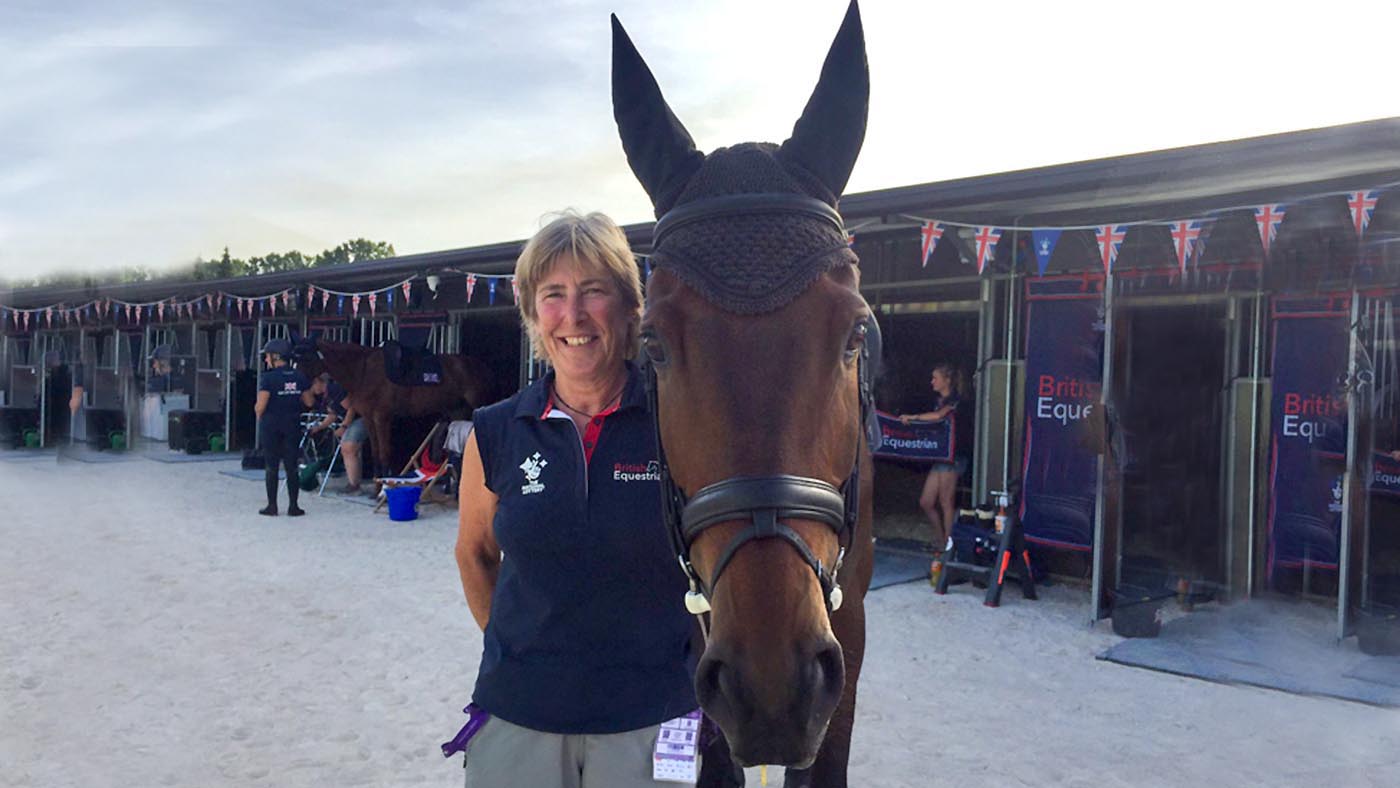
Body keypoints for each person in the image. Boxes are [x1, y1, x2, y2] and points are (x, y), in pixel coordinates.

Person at [450, 211, 700, 786]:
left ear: (631, 306)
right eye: (554, 294)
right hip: (519, 714)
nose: (574, 315)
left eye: (594, 291)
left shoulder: (681, 422)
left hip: (656, 715)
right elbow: (474, 554)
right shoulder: (494, 431)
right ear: (534, 314)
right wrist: (520, 654)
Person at [900, 363, 970, 545]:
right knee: (926, 501)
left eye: (935, 378)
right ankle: (941, 538)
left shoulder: (955, 399)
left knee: (946, 501)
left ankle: (948, 544)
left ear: (947, 380)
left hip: (953, 456)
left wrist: (914, 417)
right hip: (940, 456)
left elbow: (938, 416)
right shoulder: (938, 400)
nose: (932, 382)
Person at [253, 338, 314, 516]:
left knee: (271, 465)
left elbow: (261, 406)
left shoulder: (268, 378)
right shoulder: (299, 376)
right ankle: (293, 506)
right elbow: (309, 401)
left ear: (276, 357)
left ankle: (272, 506)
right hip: (292, 424)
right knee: (291, 466)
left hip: (271, 425)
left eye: (267, 356)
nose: (265, 360)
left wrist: (257, 411)